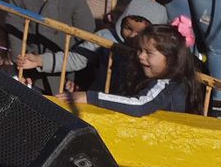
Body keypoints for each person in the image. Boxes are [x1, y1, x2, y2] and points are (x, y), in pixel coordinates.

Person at [6, 0, 96, 93]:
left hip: (65, 70)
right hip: (31, 65)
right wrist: (19, 63)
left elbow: (86, 35)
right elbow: (14, 27)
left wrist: (75, 78)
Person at [69, 24, 202, 116]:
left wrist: (90, 97)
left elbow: (140, 105)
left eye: (149, 53)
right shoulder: (174, 82)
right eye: (140, 50)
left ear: (171, 58)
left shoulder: (166, 85)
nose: (140, 56)